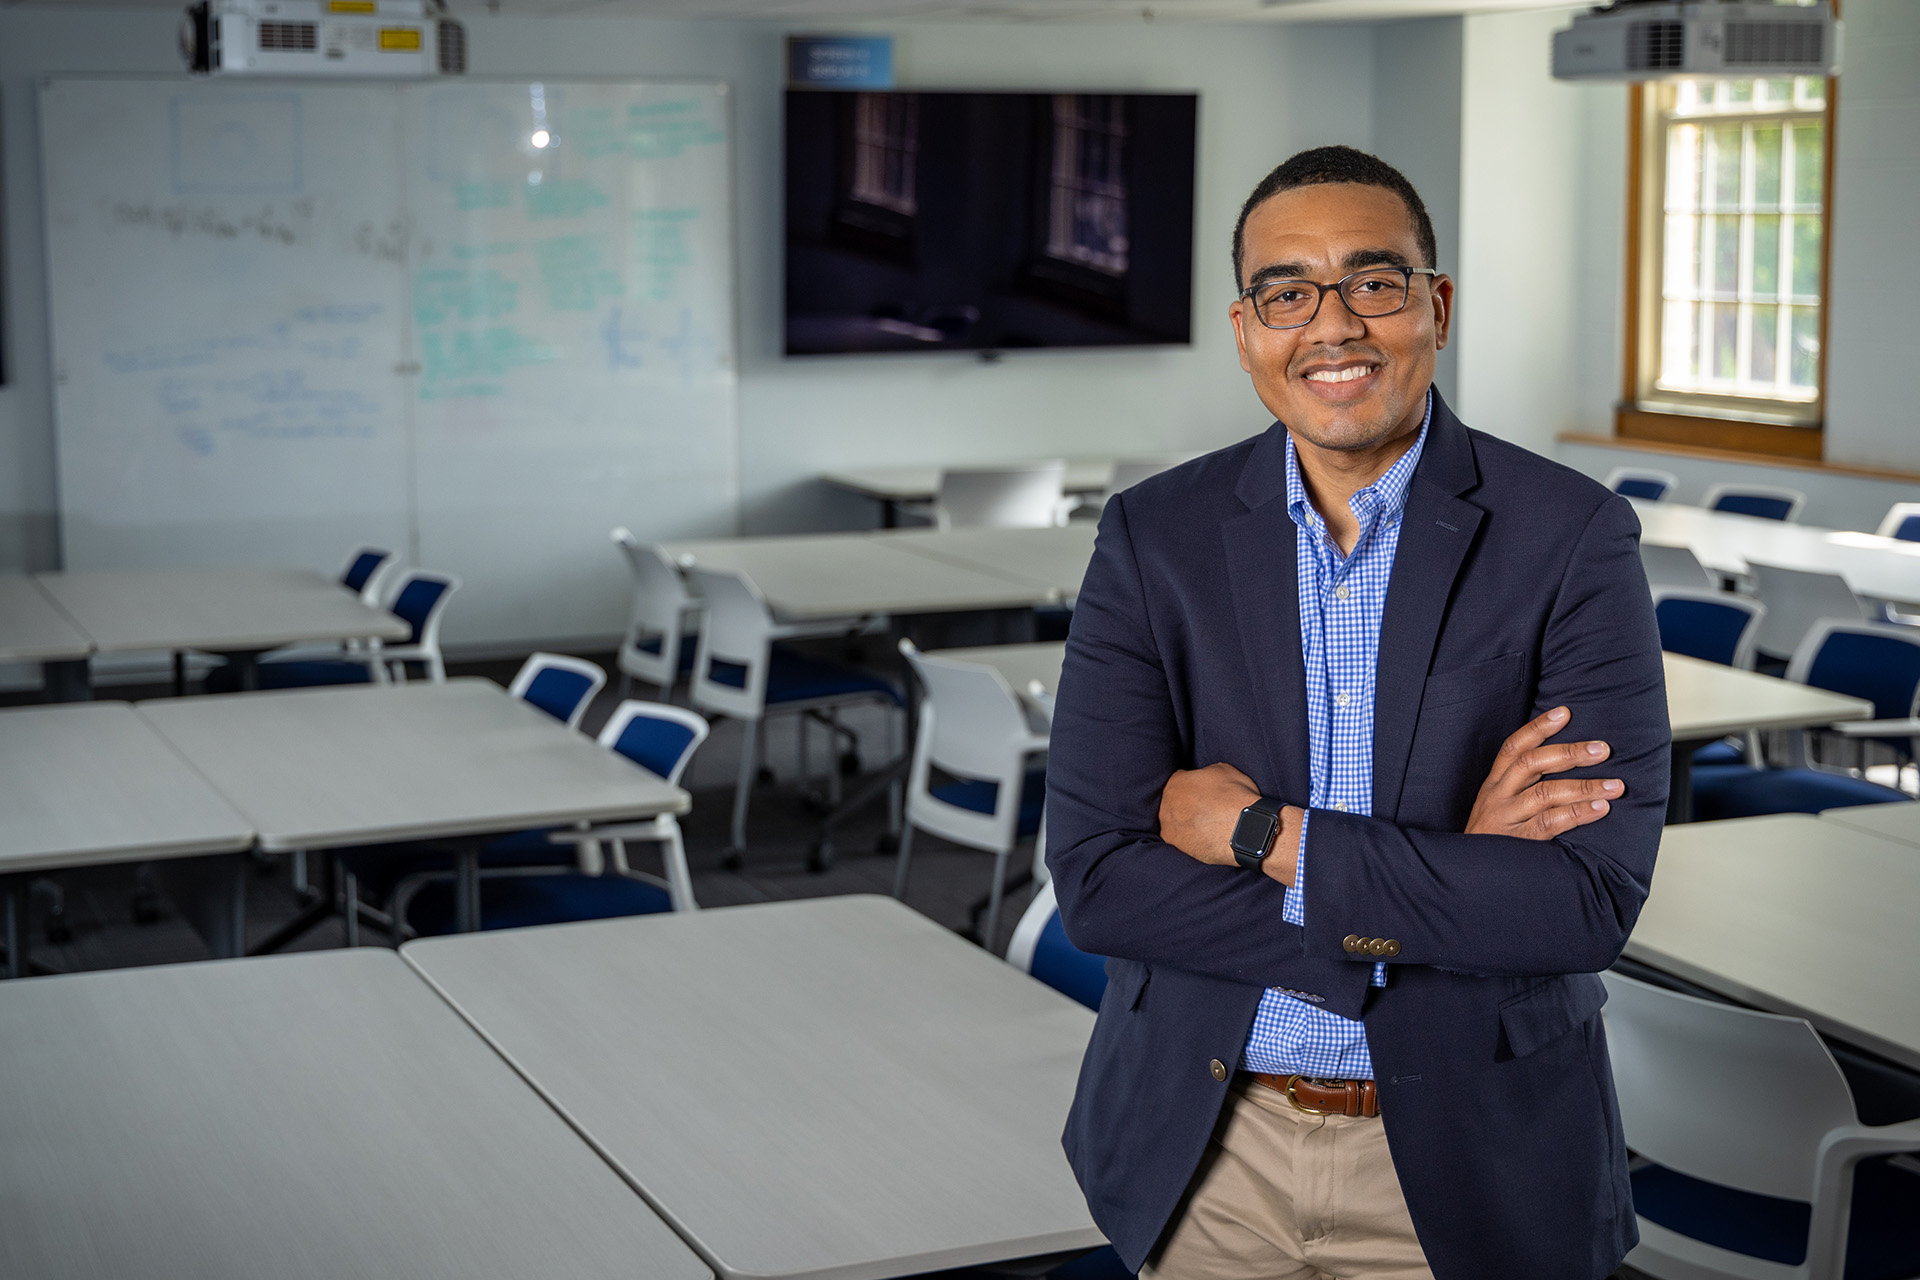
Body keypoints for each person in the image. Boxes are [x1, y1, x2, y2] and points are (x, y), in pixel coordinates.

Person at [1045, 145, 1669, 1280]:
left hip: (1468, 1164)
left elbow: (1582, 902)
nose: (1330, 326)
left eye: (1372, 285)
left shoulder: (1571, 536)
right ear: (1247, 332)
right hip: (1206, 1154)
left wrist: (1260, 837)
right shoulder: (1154, 538)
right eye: (1288, 293)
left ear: (1434, 306)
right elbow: (1096, 878)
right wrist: (1440, 887)